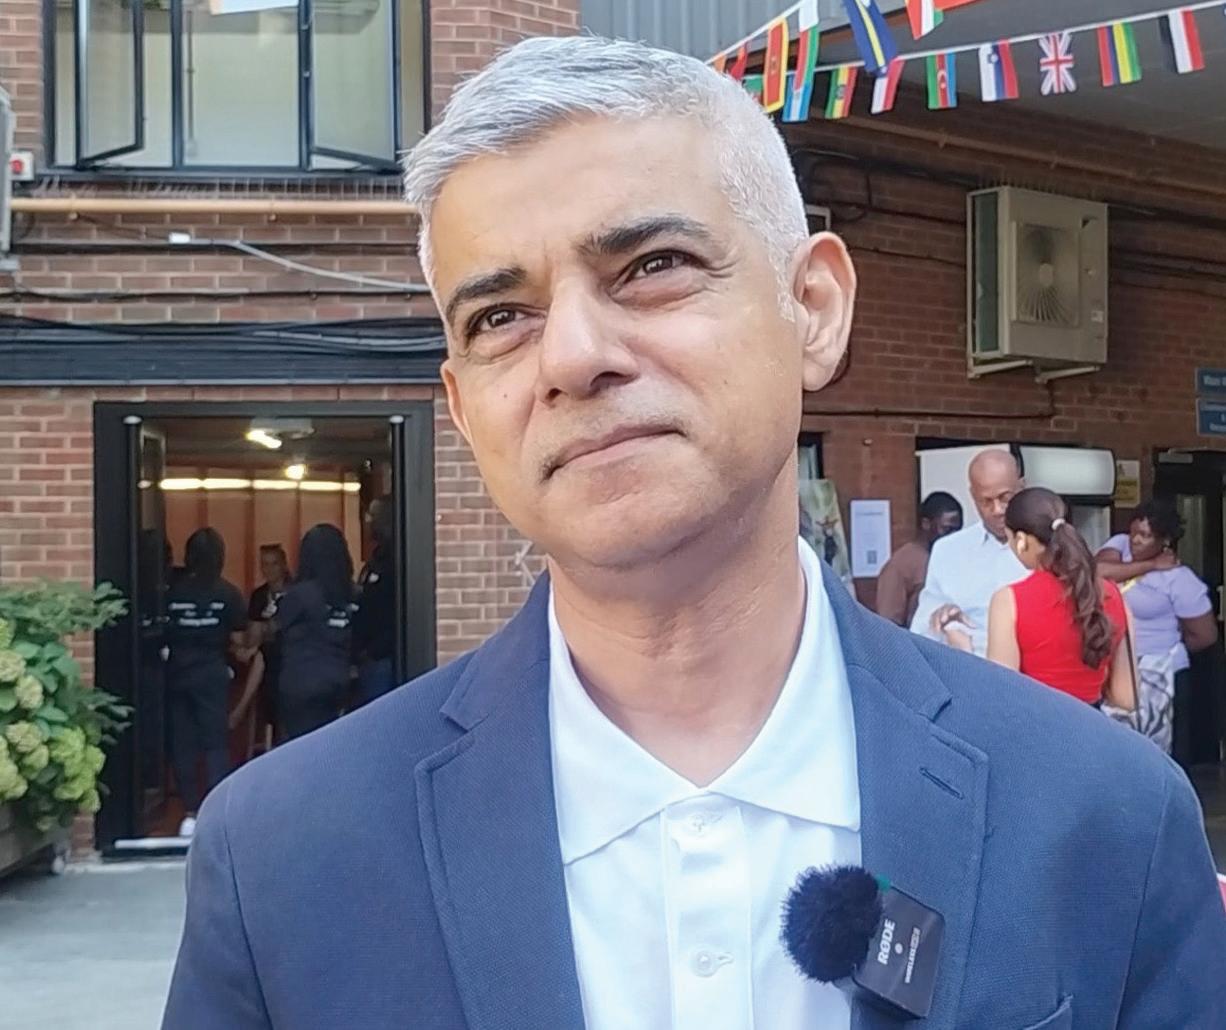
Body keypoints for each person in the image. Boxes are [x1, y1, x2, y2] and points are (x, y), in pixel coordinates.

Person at [165, 37, 1226, 1029]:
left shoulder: (1105, 818)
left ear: (813, 307)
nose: (571, 355)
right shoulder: (280, 859)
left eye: (651, 265)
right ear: (461, 407)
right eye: (500, 317)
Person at [947, 488, 1135, 712]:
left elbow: (1001, 695)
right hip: (1093, 726)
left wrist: (962, 649)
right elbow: (1126, 698)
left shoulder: (1009, 600)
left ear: (1021, 540)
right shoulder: (1113, 596)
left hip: (1036, 725)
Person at [1096, 500, 1218, 758]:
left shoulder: (1180, 579)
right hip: (1116, 665)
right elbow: (1097, 572)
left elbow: (1205, 635)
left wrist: (1161, 651)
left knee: (1159, 745)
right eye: (1133, 532)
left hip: (1160, 671)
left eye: (1145, 535)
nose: (1135, 540)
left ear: (1164, 541)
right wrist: (1151, 565)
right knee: (1117, 742)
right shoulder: (1119, 546)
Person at [163, 527, 248, 839]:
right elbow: (240, 639)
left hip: (178, 673)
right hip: (212, 673)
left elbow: (163, 630)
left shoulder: (173, 593)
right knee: (215, 743)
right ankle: (216, 814)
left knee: (182, 743)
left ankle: (189, 812)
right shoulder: (228, 593)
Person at [910, 449, 1027, 655]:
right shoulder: (948, 551)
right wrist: (942, 620)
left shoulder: (1044, 548)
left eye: (1005, 498)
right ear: (973, 496)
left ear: (1022, 487)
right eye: (986, 501)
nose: (997, 510)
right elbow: (922, 630)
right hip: (968, 667)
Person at [272, 524, 355, 740]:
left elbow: (276, 630)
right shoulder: (352, 595)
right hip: (338, 682)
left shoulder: (299, 595)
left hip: (300, 684)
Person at [229, 545, 292, 741]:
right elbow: (251, 631)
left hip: (285, 656)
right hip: (261, 654)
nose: (269, 569)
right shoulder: (258, 595)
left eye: (274, 564)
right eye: (265, 564)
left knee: (260, 656)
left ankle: (240, 710)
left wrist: (256, 643)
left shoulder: (295, 594)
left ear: (284, 565)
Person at [874, 491, 963, 626]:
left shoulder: (956, 559)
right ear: (926, 524)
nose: (954, 536)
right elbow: (888, 623)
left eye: (958, 530)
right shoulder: (901, 565)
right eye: (947, 529)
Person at [353, 497, 398, 706]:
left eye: (372, 515)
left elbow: (392, 611)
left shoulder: (396, 559)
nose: (367, 520)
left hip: (383, 660)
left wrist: (373, 651)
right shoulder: (376, 560)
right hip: (369, 659)